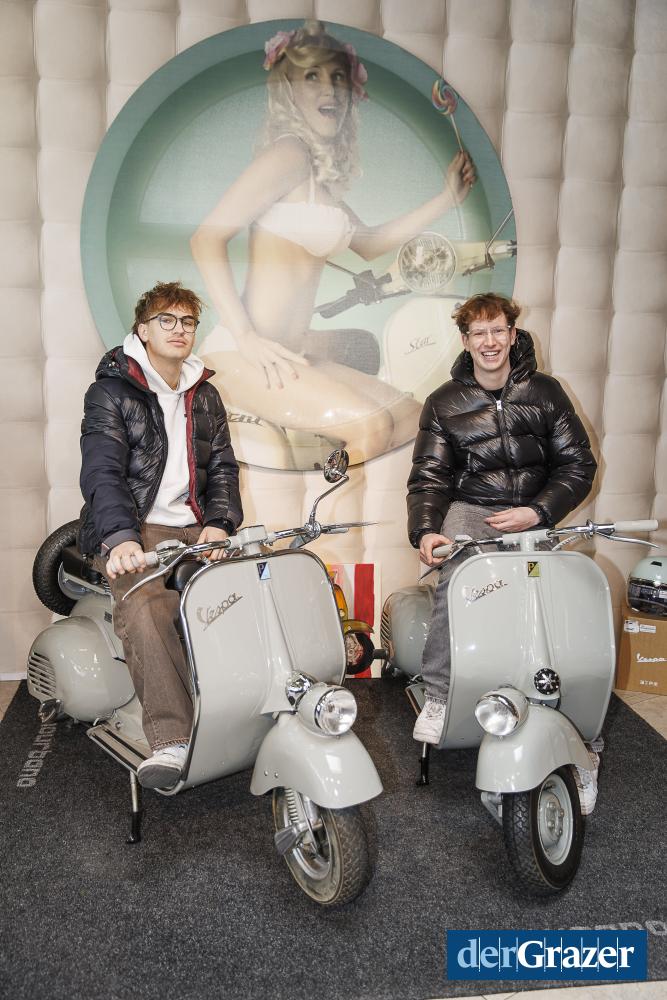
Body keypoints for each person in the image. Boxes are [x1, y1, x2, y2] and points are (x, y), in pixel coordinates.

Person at [191, 19, 476, 467]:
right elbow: (206, 239)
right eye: (313, 76)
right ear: (288, 91)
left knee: (416, 419)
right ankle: (322, 514)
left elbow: (370, 244)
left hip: (292, 353)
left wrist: (447, 198)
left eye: (338, 77)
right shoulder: (287, 154)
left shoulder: (315, 180)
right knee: (372, 426)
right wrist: (245, 336)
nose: (330, 89)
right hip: (239, 356)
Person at [406, 292, 601, 811]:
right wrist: (426, 532)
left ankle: (585, 741)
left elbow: (578, 465)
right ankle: (440, 694)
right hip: (475, 509)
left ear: (513, 335)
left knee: (567, 602)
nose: (489, 342)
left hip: (534, 512)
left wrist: (537, 512)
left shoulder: (546, 391)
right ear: (466, 340)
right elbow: (429, 478)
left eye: (498, 331)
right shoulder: (444, 402)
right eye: (479, 333)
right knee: (459, 579)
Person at [78, 281, 243, 789]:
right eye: (166, 320)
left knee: (245, 596)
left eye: (187, 321)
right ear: (143, 330)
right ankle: (173, 738)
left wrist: (220, 521)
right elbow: (103, 472)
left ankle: (249, 710)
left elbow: (223, 467)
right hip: (137, 525)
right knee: (147, 608)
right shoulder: (110, 392)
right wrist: (122, 537)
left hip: (196, 525)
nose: (179, 330)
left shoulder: (205, 394)